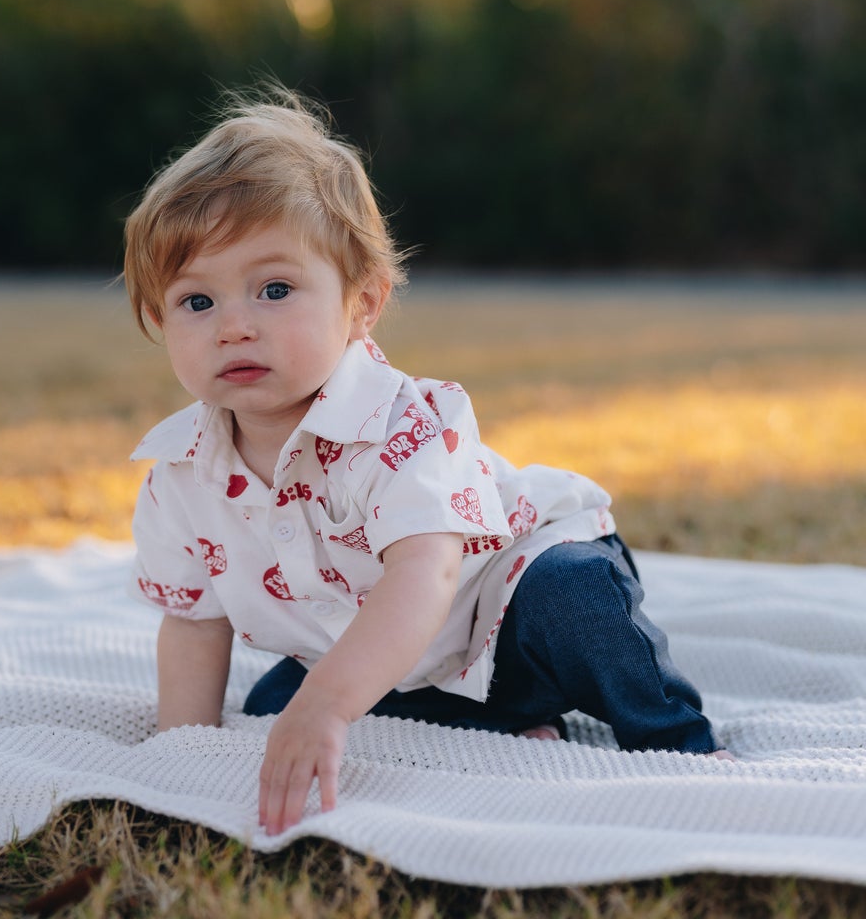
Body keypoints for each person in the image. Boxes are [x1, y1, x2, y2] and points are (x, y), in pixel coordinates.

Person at [124, 93, 730, 837]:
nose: (235, 326)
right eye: (195, 301)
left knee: (576, 602)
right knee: (270, 708)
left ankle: (678, 745)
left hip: (510, 599)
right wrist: (178, 758)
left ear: (362, 303)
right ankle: (502, 720)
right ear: (158, 318)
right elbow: (193, 626)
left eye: (275, 289)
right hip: (396, 652)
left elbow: (426, 577)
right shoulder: (181, 471)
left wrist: (329, 704)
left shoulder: (404, 424)